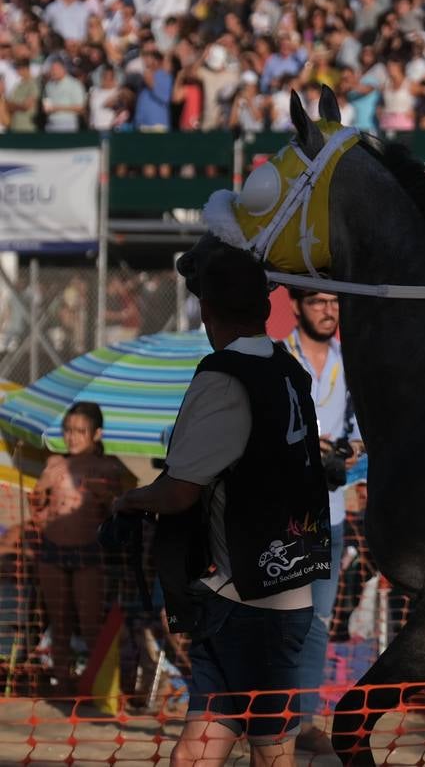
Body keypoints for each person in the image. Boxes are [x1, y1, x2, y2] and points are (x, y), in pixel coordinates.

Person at [113, 246, 329, 767]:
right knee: (196, 753)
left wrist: (127, 501)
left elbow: (179, 490)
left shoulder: (225, 376)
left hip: (254, 610)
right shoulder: (289, 369)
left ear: (206, 311)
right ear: (265, 309)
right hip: (260, 595)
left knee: (271, 755)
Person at [280, 289, 364, 753]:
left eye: (335, 301)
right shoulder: (277, 358)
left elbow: (365, 435)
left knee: (317, 623)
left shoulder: (351, 362)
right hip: (280, 517)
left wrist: (348, 451)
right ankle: (263, 718)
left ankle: (305, 721)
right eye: (317, 301)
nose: (329, 310)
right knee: (275, 622)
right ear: (295, 306)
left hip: (329, 515)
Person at [30, 403, 134, 696]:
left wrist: (108, 497)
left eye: (79, 431)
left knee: (90, 625)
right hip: (52, 551)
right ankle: (63, 685)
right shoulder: (54, 464)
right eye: (67, 430)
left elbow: (123, 510)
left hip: (89, 553)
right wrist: (40, 490)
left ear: (97, 434)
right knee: (58, 623)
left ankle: (99, 689)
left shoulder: (109, 467)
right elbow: (36, 507)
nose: (72, 437)